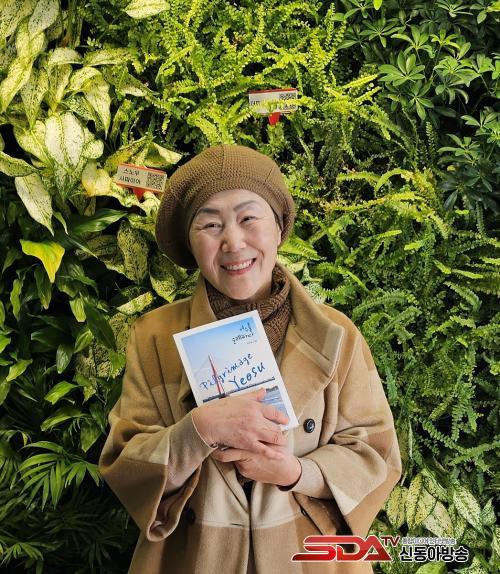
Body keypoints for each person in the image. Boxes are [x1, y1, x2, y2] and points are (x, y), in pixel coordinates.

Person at [98, 144, 402, 574]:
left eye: (248, 218)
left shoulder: (338, 335)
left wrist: (294, 471)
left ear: (278, 227)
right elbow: (125, 464)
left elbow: (376, 455)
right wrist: (198, 430)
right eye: (210, 224)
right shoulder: (153, 337)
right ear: (191, 243)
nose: (233, 242)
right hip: (196, 558)